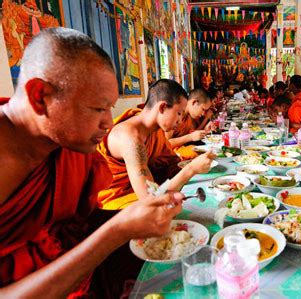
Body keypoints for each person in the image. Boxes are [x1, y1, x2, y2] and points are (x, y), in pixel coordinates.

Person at [0, 27, 183, 298]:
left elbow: (77, 228)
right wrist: (117, 230)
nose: (109, 122)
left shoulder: (72, 149)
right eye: (98, 108)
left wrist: (133, 223)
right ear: (40, 96)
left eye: (110, 107)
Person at [97, 80, 215, 210]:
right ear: (162, 107)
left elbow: (170, 162)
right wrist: (191, 169)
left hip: (141, 188)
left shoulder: (155, 129)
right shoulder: (130, 138)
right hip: (118, 200)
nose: (181, 120)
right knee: (169, 208)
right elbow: (150, 199)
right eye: (179, 113)